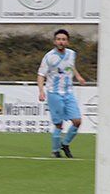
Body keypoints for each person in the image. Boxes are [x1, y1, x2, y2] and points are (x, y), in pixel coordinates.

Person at [37, 29, 87, 158]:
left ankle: (65, 143)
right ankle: (55, 151)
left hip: (68, 92)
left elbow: (71, 66)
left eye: (63, 39)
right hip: (54, 94)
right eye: (58, 39)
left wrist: (78, 76)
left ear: (67, 42)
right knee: (59, 124)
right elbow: (41, 75)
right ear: (55, 41)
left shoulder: (71, 54)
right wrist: (41, 91)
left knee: (77, 121)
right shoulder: (49, 57)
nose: (61, 42)